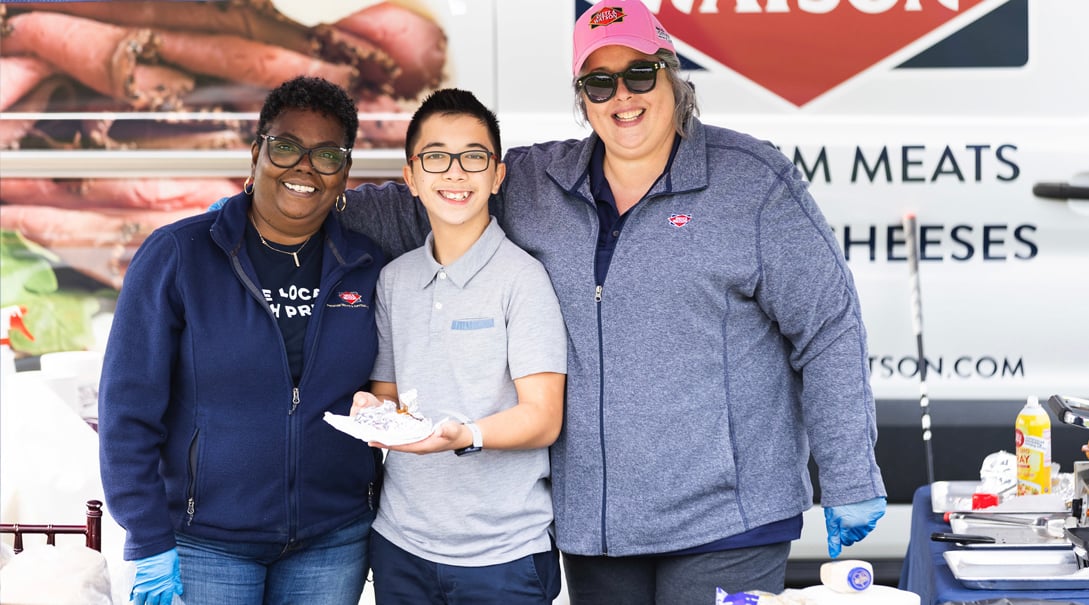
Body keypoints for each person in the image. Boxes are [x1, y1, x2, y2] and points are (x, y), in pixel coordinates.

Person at [339, 0, 887, 601]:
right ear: (582, 97)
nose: (621, 96)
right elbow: (411, 201)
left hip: (729, 520)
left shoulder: (751, 181)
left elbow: (828, 328)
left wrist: (850, 473)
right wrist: (273, 207)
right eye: (599, 82)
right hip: (599, 526)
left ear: (673, 75)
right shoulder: (540, 182)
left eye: (639, 74)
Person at [98, 76, 385, 605]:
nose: (304, 167)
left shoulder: (368, 266)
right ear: (256, 154)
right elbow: (126, 410)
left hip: (333, 538)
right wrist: (147, 537)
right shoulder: (179, 256)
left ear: (345, 173)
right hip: (205, 543)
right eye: (285, 146)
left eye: (326, 154)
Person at [348, 88, 567, 604]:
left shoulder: (524, 279)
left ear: (497, 175)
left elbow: (543, 416)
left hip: (504, 555)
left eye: (473, 157)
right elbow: (391, 396)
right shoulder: (394, 280)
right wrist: (372, 411)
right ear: (411, 177)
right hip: (401, 544)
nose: (454, 173)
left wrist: (464, 434)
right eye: (436, 157)